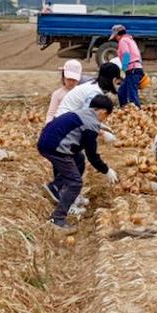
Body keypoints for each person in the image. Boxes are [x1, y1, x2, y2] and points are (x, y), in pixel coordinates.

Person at [37, 95, 119, 233]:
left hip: (47, 140)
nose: (105, 119)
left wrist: (102, 130)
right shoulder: (91, 124)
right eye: (106, 116)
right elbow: (92, 156)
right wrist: (107, 170)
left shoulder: (84, 112)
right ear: (103, 112)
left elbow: (84, 126)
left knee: (78, 159)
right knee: (75, 182)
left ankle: (57, 188)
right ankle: (57, 219)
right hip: (54, 147)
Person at [56, 62, 121, 118]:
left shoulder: (93, 85)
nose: (118, 85)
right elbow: (85, 117)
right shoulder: (94, 93)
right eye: (118, 83)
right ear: (114, 80)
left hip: (63, 118)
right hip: (65, 124)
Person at [110, 24, 143, 108]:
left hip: (132, 70)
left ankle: (137, 114)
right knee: (122, 92)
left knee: (132, 94)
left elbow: (126, 55)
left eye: (115, 36)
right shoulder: (130, 40)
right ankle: (124, 110)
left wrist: (123, 69)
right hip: (136, 68)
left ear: (118, 34)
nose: (115, 39)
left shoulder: (123, 41)